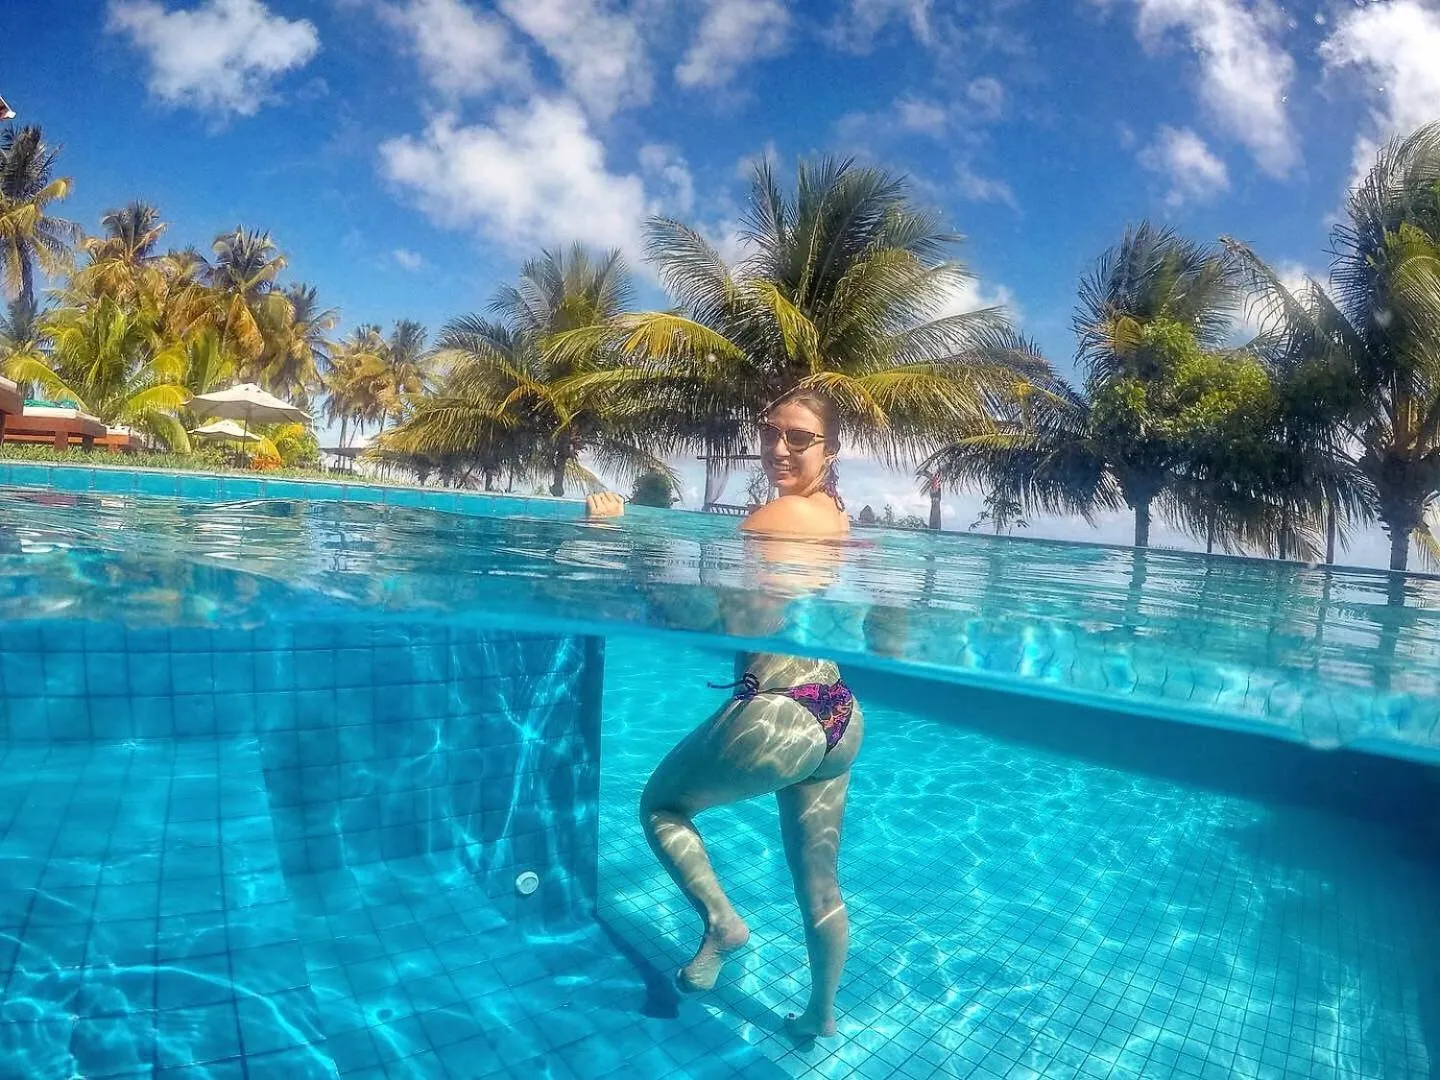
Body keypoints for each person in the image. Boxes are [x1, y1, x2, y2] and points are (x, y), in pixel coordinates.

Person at [586, 389, 862, 1041]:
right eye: (770, 433)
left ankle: (722, 922)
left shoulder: (777, 516)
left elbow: (713, 618)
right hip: (838, 712)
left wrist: (622, 542)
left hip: (782, 711)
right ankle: (821, 1016)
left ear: (832, 449)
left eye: (799, 437)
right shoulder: (837, 517)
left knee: (660, 805)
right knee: (819, 885)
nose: (778, 448)